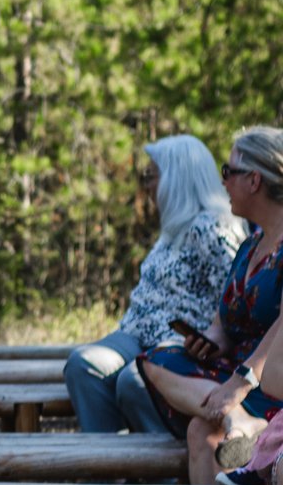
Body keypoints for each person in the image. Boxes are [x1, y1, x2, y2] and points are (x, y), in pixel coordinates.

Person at [139, 126, 283, 485]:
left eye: (228, 171)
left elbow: (281, 329)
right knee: (158, 359)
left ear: (254, 180)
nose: (222, 182)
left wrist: (241, 382)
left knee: (202, 429)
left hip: (269, 379)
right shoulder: (250, 245)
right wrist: (211, 339)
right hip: (234, 375)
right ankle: (237, 420)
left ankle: (242, 420)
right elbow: (224, 318)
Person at [66, 136, 246, 434]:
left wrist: (213, 341)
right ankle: (105, 458)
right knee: (83, 364)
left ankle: (161, 460)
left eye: (151, 176)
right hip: (136, 334)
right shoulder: (172, 229)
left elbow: (235, 296)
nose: (147, 186)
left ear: (176, 178)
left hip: (175, 341)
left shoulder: (211, 227)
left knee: (134, 381)